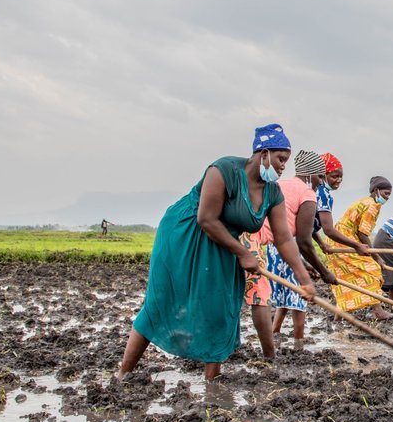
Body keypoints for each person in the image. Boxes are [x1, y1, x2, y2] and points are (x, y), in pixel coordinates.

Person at [115, 124, 315, 382]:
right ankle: (124, 373)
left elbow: (284, 238)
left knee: (221, 307)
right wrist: (243, 253)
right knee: (162, 301)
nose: (282, 167)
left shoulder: (272, 192)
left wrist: (304, 280)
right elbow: (207, 219)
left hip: (224, 242)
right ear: (263, 153)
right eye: (280, 159)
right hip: (186, 234)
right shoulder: (224, 170)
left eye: (285, 161)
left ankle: (213, 380)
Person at [242, 150, 336, 354]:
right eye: (320, 177)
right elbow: (303, 241)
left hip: (254, 239)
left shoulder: (281, 185)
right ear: (311, 174)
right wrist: (324, 272)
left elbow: (285, 238)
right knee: (261, 297)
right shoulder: (308, 194)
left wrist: (305, 266)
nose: (320, 182)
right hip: (253, 241)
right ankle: (270, 355)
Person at [323, 176, 393, 320]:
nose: (387, 198)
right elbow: (362, 234)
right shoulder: (372, 206)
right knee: (372, 270)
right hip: (344, 241)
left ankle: (338, 317)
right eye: (386, 193)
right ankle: (378, 311)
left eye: (389, 195)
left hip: (338, 240)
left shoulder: (364, 201)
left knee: (345, 279)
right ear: (376, 190)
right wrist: (377, 258)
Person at [312, 152, 371, 256]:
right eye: (335, 176)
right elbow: (328, 230)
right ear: (323, 175)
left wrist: (321, 244)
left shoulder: (315, 190)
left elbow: (309, 225)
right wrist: (357, 245)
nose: (339, 180)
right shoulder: (323, 195)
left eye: (341, 176)